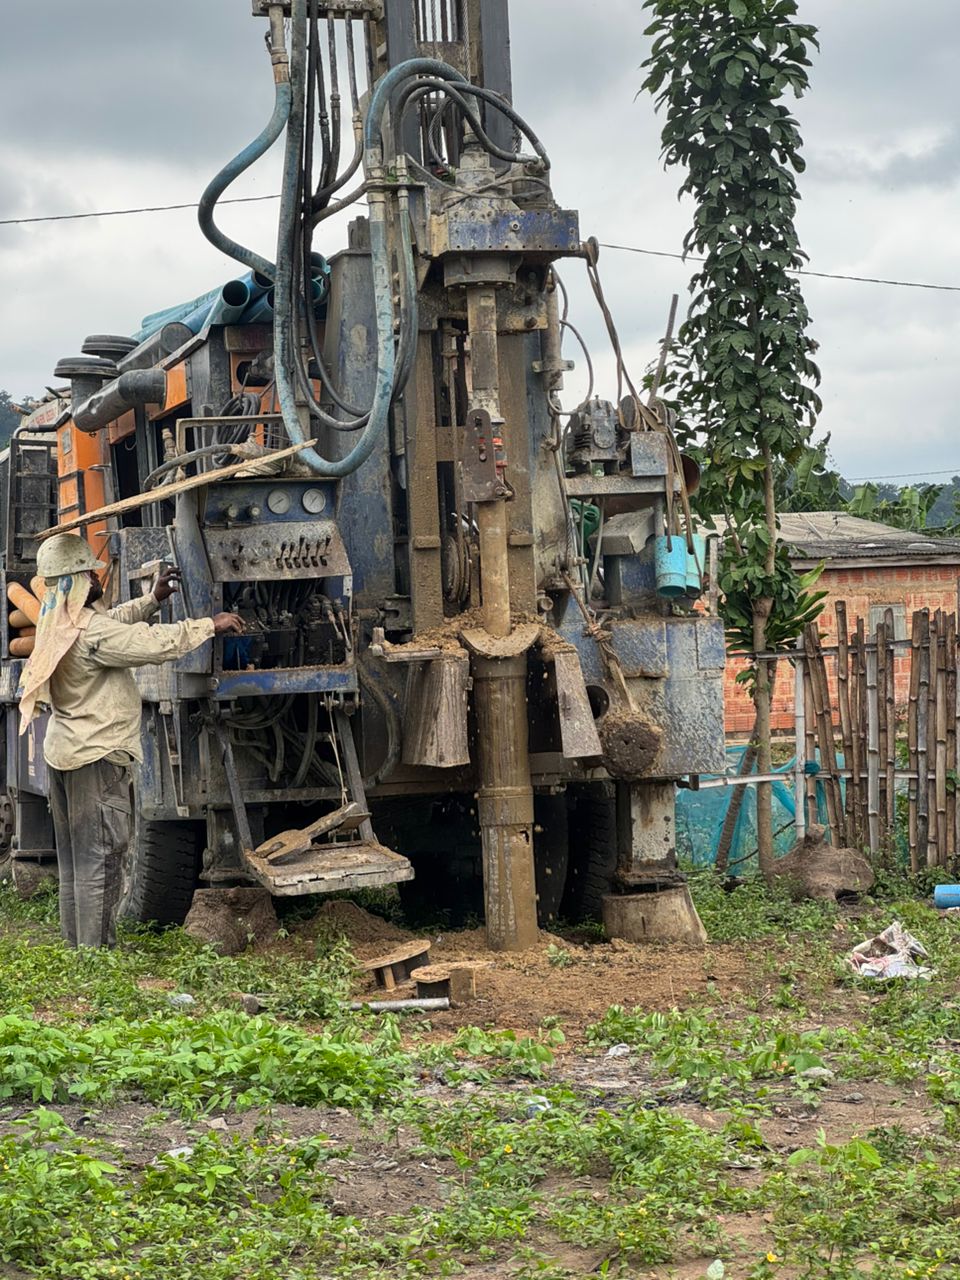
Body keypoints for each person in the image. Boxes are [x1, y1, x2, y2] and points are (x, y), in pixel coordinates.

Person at [17, 533, 244, 949]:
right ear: (76, 581)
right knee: (101, 861)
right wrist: (209, 625)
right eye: (89, 573)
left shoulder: (57, 622)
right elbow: (149, 644)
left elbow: (112, 622)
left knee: (76, 865)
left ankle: (79, 949)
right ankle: (98, 954)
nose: (96, 578)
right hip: (97, 757)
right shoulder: (92, 634)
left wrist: (151, 600)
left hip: (64, 753)